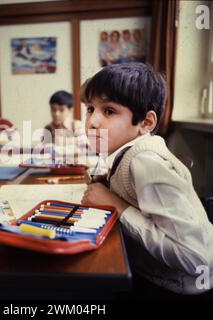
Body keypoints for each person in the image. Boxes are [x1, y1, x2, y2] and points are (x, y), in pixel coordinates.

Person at [81, 63, 213, 295]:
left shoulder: (145, 162)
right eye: (90, 108)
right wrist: (108, 185)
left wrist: (117, 205)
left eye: (109, 111)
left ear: (146, 123)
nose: (92, 121)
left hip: (175, 288)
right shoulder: (127, 154)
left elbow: (196, 258)